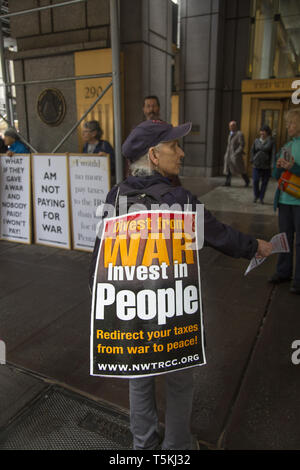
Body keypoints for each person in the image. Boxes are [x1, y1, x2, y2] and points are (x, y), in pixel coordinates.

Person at [89, 119, 272, 450]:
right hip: (173, 311)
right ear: (154, 156)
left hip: (130, 310)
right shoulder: (178, 198)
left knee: (139, 376)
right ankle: (177, 448)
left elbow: (99, 255)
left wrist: (99, 299)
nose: (182, 152)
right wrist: (255, 246)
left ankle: (143, 446)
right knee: (179, 379)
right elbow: (219, 235)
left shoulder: (115, 196)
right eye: (174, 146)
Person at [269, 108, 300, 295]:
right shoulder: (286, 146)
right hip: (285, 200)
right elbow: (275, 175)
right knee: (285, 238)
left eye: (291, 123)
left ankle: (298, 280)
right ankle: (283, 272)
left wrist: (294, 167)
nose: (287, 126)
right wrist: (279, 167)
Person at [250, 125, 276, 204]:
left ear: (267, 132)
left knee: (264, 183)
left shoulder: (271, 141)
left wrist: (272, 164)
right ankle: (256, 195)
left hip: (266, 165)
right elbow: (252, 151)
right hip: (256, 164)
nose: (262, 133)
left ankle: (261, 198)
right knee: (255, 181)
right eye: (261, 131)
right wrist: (252, 159)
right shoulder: (256, 141)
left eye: (264, 131)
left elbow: (273, 154)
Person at [223, 121, 250, 187]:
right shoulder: (230, 134)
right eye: (230, 126)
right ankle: (227, 182)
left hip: (236, 156)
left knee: (241, 169)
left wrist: (236, 153)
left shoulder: (239, 134)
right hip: (229, 154)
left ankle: (247, 180)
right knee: (228, 169)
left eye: (232, 126)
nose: (230, 127)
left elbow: (242, 145)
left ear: (235, 126)